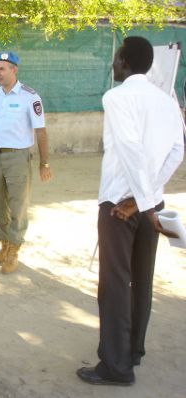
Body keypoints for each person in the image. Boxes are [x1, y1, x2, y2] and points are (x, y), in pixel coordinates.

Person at [76, 36, 184, 387]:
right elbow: (176, 153)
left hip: (120, 206)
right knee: (141, 280)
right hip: (150, 204)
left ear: (122, 60)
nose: (113, 64)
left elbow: (131, 150)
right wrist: (148, 200)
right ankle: (133, 351)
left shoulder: (116, 97)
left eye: (116, 58)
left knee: (115, 285)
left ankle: (116, 366)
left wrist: (137, 201)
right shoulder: (167, 100)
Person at [0, 51, 52, 274]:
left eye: (2, 69)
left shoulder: (30, 96)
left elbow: (40, 131)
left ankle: (14, 251)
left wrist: (44, 163)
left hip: (19, 157)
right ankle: (4, 244)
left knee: (18, 205)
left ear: (14, 70)